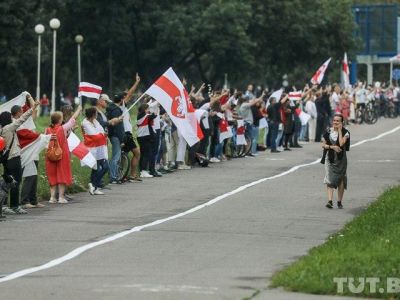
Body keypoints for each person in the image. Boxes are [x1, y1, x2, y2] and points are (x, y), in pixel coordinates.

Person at [0, 94, 39, 215]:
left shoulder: (2, 129)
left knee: (7, 183)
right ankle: (15, 205)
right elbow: (22, 119)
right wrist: (32, 109)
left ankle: (4, 206)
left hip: (6, 159)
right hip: (14, 158)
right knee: (16, 182)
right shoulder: (9, 128)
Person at [45, 105, 82, 203]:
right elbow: (73, 119)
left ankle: (52, 197)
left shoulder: (47, 129)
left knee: (52, 175)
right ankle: (61, 197)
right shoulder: (62, 128)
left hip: (50, 155)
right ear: (59, 120)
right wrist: (78, 109)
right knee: (62, 174)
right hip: (62, 155)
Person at [321, 114, 350, 209]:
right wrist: (332, 147)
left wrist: (340, 131)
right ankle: (329, 201)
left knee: (341, 179)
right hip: (330, 158)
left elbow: (341, 143)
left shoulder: (346, 133)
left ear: (342, 122)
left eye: (338, 121)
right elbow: (323, 145)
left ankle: (339, 201)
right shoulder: (328, 131)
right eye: (334, 120)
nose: (335, 122)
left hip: (341, 160)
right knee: (329, 178)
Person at [82, 107, 108, 195]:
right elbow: (94, 135)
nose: (97, 115)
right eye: (96, 113)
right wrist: (102, 134)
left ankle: (93, 185)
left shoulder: (95, 121)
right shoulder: (85, 123)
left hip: (100, 147)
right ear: (93, 114)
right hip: (92, 148)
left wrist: (101, 134)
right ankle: (94, 185)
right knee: (97, 167)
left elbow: (101, 131)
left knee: (103, 167)